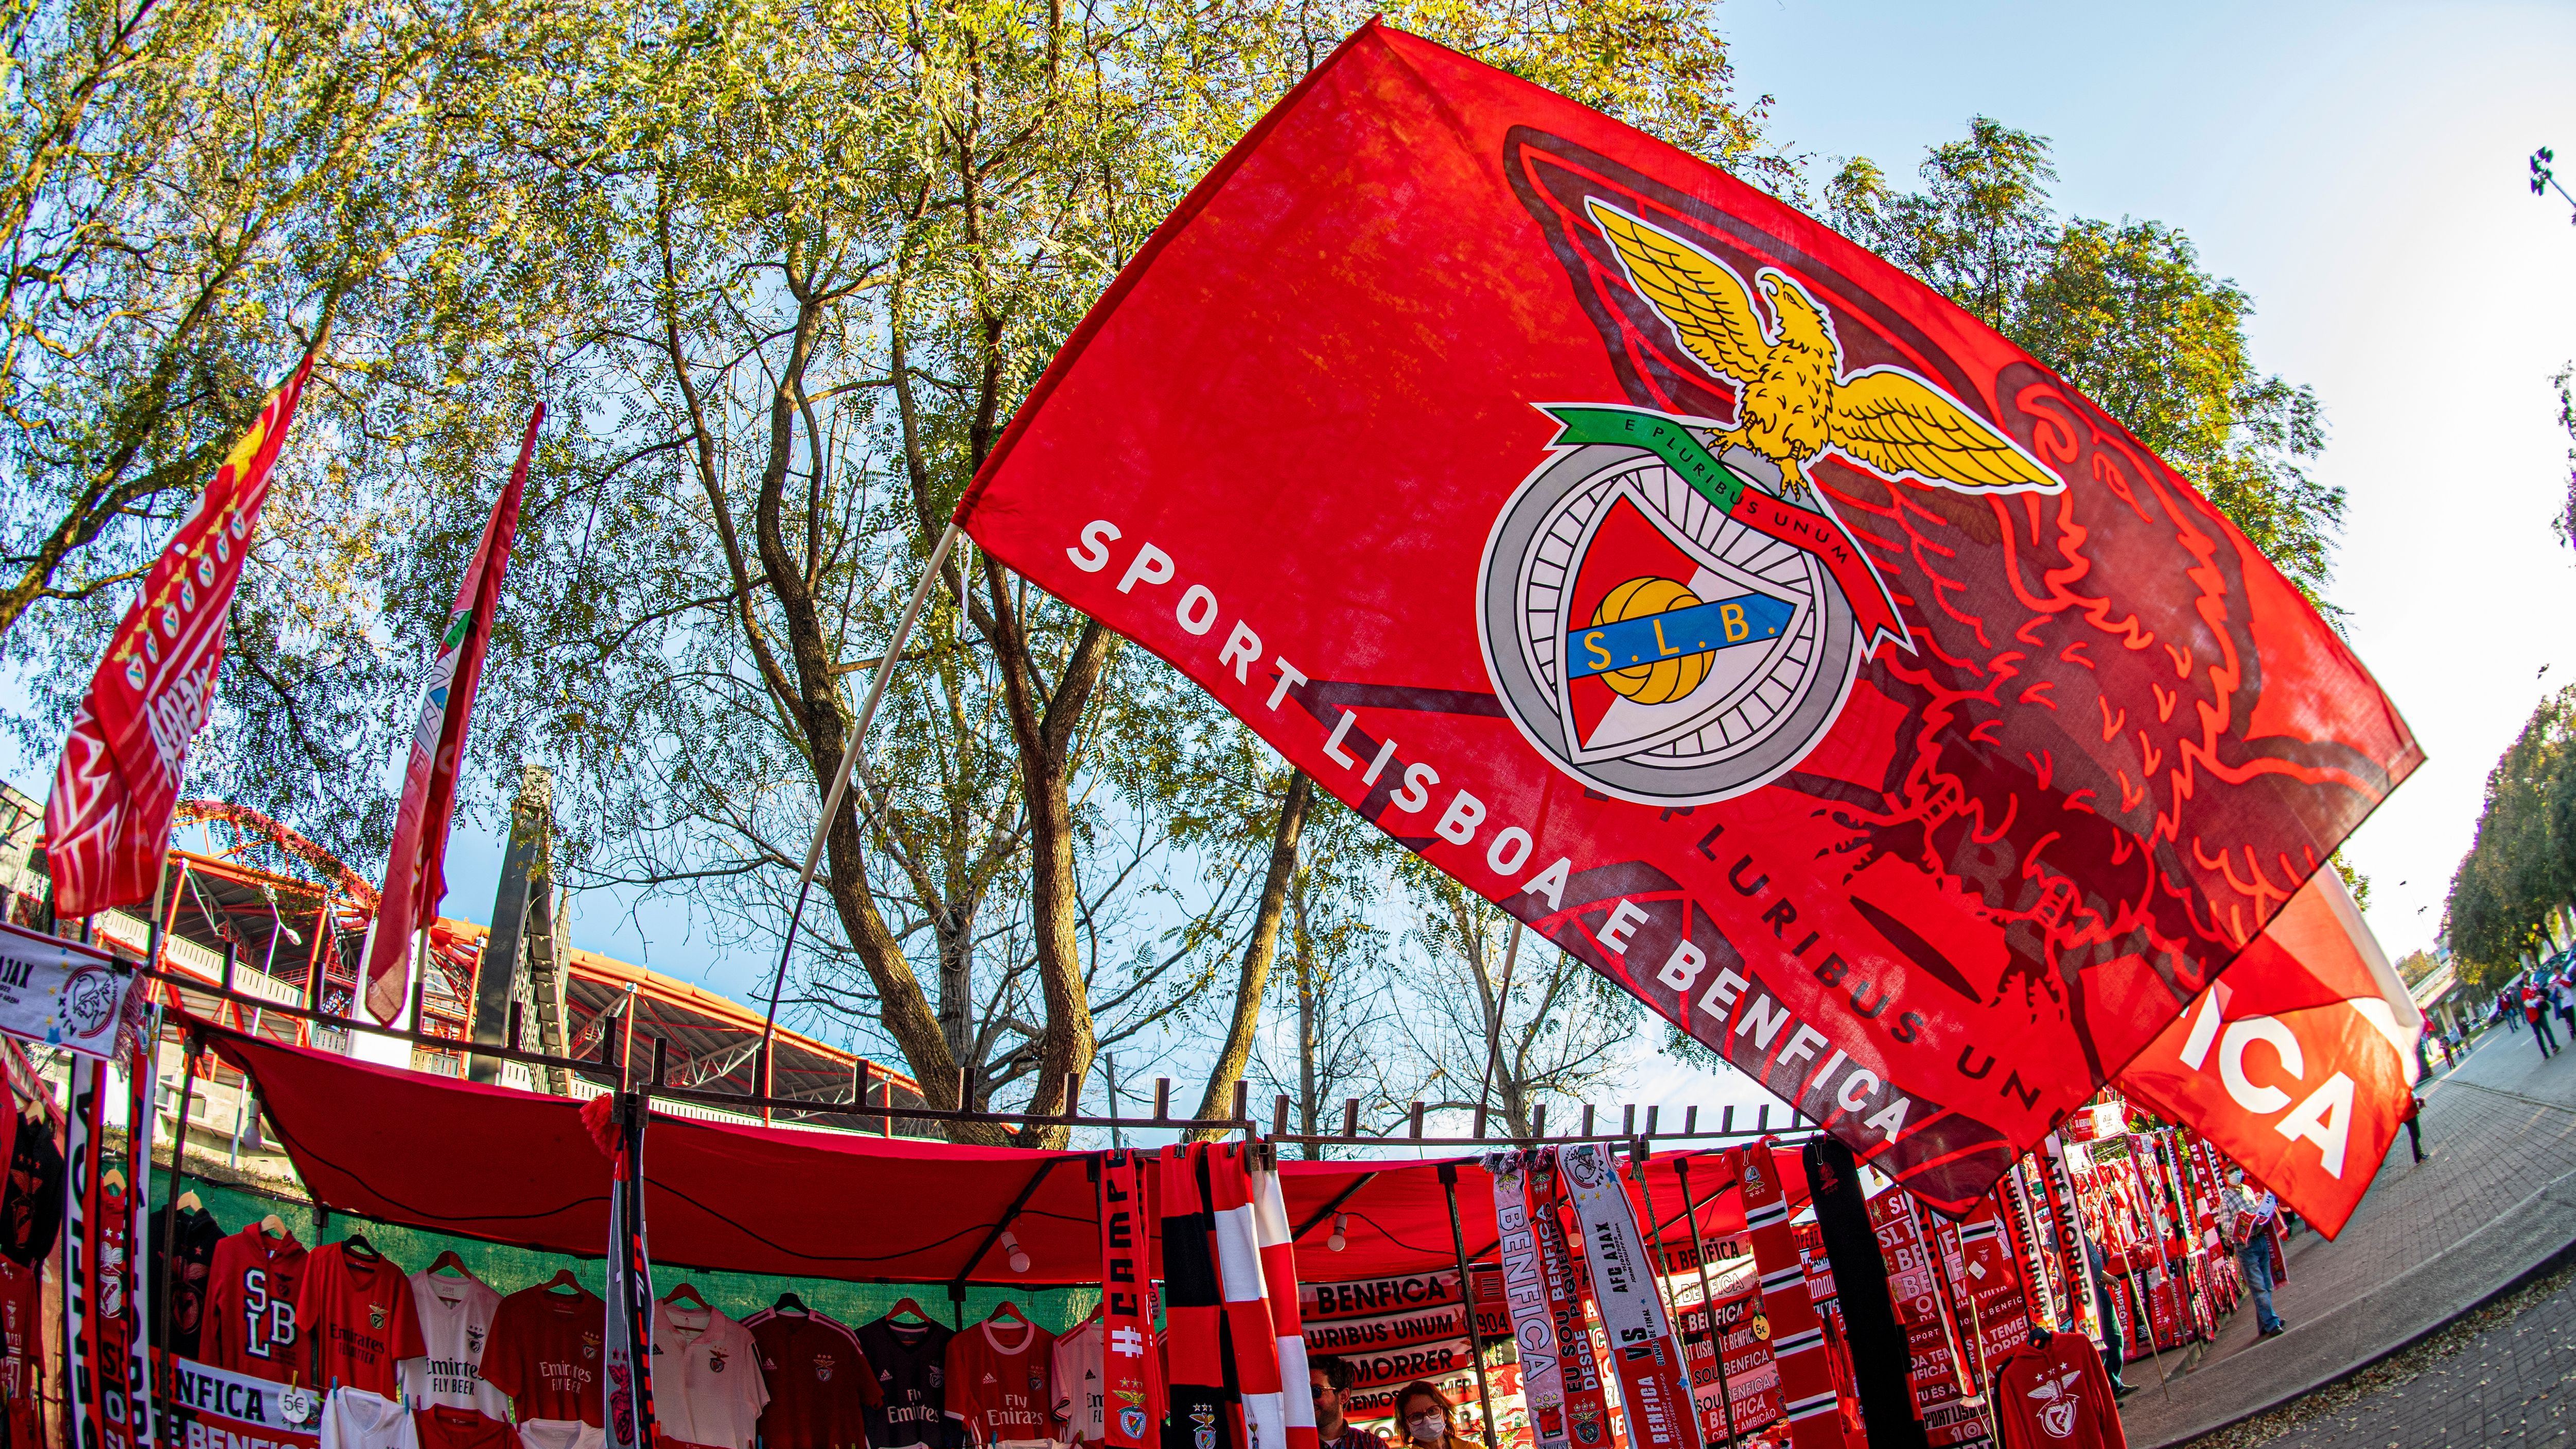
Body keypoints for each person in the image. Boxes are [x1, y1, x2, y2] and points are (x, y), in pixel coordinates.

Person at [2219, 1167, 2286, 1338]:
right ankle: (2272, 1323)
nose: (2236, 1173)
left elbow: (2258, 1211)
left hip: (2261, 1238)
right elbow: (2226, 1230)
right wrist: (2240, 1223)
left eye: (2237, 1169)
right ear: (2226, 1177)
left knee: (2267, 1284)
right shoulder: (2226, 1201)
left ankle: (2265, 1323)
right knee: (2259, 1287)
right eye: (2231, 1171)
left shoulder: (2247, 1189)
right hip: (2246, 1246)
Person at [2080, 1231, 2137, 1399]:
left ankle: (2114, 1384)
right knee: (2100, 1345)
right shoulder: (2060, 1229)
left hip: (2099, 1288)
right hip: (2087, 1294)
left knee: (2115, 1338)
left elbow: (2090, 1261)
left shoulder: (2078, 1223)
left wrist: (2104, 1276)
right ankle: (2105, 1394)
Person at [1309, 1358, 1388, 1449]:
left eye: (1316, 1391)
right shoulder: (1293, 1443)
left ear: (1343, 1396)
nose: (1309, 1399)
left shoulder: (1372, 1444)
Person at [1391, 1382, 1485, 1449]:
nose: (1427, 1420)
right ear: (1406, 1425)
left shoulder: (1473, 1448)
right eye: (1416, 1416)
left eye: (1432, 1411)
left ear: (1444, 1413)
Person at [2525, 977, 2561, 1059]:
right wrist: (2537, 1000)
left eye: (2528, 978)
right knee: (2539, 1036)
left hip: (2540, 1012)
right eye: (2526, 979)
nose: (2528, 980)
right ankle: (2545, 1053)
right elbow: (2528, 1005)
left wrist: (2542, 997)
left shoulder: (2535, 986)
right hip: (2533, 1017)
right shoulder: (2524, 992)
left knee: (2547, 1029)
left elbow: (2543, 993)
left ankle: (2554, 1046)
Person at [2402, 1090, 2428, 1164]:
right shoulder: (2401, 1090)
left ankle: (2420, 1155)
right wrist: (2416, 1100)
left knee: (2415, 1135)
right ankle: (2419, 1157)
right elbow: (2406, 1103)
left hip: (2409, 1115)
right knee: (2415, 1135)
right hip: (2409, 1116)